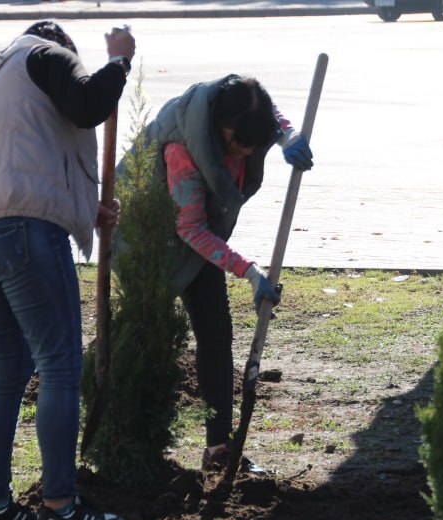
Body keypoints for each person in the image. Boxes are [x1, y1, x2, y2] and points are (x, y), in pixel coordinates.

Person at [0, 21, 133, 520]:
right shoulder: (46, 55)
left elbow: (21, 161)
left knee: (7, 372)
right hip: (21, 232)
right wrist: (118, 60)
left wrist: (84, 209)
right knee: (61, 366)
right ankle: (61, 509)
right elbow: (88, 105)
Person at [121, 74, 313, 473]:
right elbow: (189, 229)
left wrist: (287, 137)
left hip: (198, 233)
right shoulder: (181, 149)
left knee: (215, 334)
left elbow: (266, 110)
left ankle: (218, 450)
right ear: (221, 127)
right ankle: (126, 445)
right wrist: (248, 270)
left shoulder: (241, 104)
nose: (242, 157)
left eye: (251, 148)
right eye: (238, 146)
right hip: (147, 240)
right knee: (141, 341)